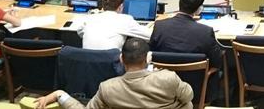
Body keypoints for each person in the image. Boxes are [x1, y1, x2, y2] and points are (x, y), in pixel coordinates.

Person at [34, 37, 193, 109]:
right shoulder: (167, 77)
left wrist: (61, 94)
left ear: (121, 59)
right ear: (148, 59)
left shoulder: (107, 88)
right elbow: (188, 96)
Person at [149, 0, 225, 102]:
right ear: (199, 9)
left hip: (164, 89)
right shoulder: (205, 32)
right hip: (196, 91)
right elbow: (217, 62)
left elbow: (151, 55)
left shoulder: (159, 26)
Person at [73, 0, 151, 50]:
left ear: (103, 6)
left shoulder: (89, 18)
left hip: (87, 66)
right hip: (113, 67)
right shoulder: (125, 20)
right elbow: (150, 36)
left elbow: (80, 32)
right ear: (121, 7)